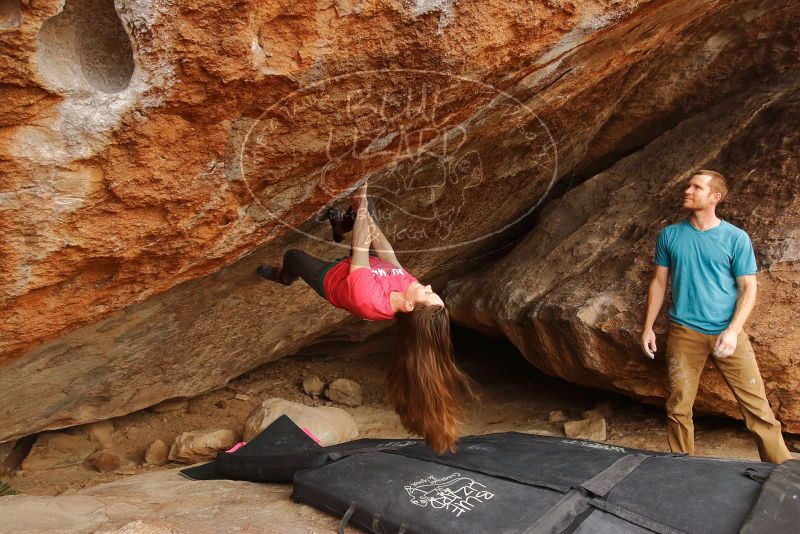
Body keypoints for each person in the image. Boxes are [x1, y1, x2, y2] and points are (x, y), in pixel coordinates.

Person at [256, 181, 476, 453]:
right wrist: (363, 208)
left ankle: (284, 277)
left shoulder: (368, 299)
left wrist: (360, 200)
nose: (429, 287)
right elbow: (387, 255)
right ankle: (340, 226)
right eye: (433, 292)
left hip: (334, 279)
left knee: (294, 256)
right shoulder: (409, 289)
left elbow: (360, 247)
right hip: (363, 265)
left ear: (409, 306)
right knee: (367, 210)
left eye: (428, 294)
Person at [641, 170, 791, 463]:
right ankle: (684, 472)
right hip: (684, 331)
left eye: (696, 187)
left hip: (728, 332)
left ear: (714, 197)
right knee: (679, 407)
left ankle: (782, 472)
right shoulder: (669, 235)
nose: (687, 190)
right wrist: (648, 328)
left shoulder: (736, 237)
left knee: (757, 410)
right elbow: (658, 282)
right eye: (688, 185)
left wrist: (734, 331)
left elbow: (748, 287)